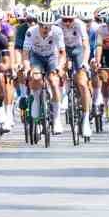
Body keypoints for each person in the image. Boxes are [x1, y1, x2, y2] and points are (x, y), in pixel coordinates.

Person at [22, 7, 68, 136]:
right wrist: (26, 68)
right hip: (36, 57)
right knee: (36, 78)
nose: (46, 29)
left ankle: (57, 118)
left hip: (52, 57)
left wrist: (59, 67)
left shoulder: (57, 31)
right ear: (38, 24)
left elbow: (62, 53)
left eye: (49, 26)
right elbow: (25, 53)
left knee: (54, 81)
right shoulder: (31, 31)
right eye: (43, 26)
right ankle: (36, 101)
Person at [57, 6, 94, 140]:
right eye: (65, 20)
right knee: (60, 70)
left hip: (78, 49)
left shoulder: (79, 25)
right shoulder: (56, 25)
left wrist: (84, 61)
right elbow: (55, 48)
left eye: (70, 20)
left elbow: (86, 45)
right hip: (63, 49)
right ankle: (64, 94)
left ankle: (85, 120)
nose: (67, 23)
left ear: (75, 18)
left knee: (82, 83)